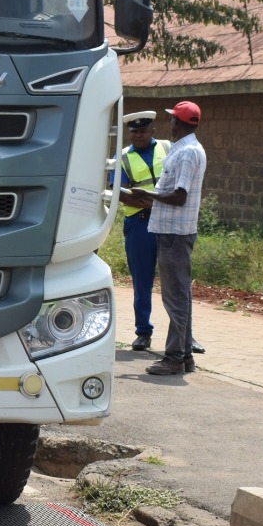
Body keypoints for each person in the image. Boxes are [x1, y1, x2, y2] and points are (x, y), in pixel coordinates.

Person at [121, 101, 205, 377]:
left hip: (173, 232)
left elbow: (179, 196)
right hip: (161, 229)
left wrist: (149, 197)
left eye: (172, 120)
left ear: (176, 123)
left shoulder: (184, 152)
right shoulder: (184, 149)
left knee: (175, 298)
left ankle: (174, 357)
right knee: (173, 293)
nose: (138, 133)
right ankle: (185, 356)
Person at [117, 116, 167, 352]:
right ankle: (143, 332)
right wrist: (149, 205)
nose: (138, 135)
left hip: (168, 222)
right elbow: (120, 192)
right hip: (139, 223)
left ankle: (183, 334)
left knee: (175, 281)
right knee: (142, 280)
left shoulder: (168, 148)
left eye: (143, 131)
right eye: (134, 132)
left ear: (152, 130)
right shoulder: (124, 157)